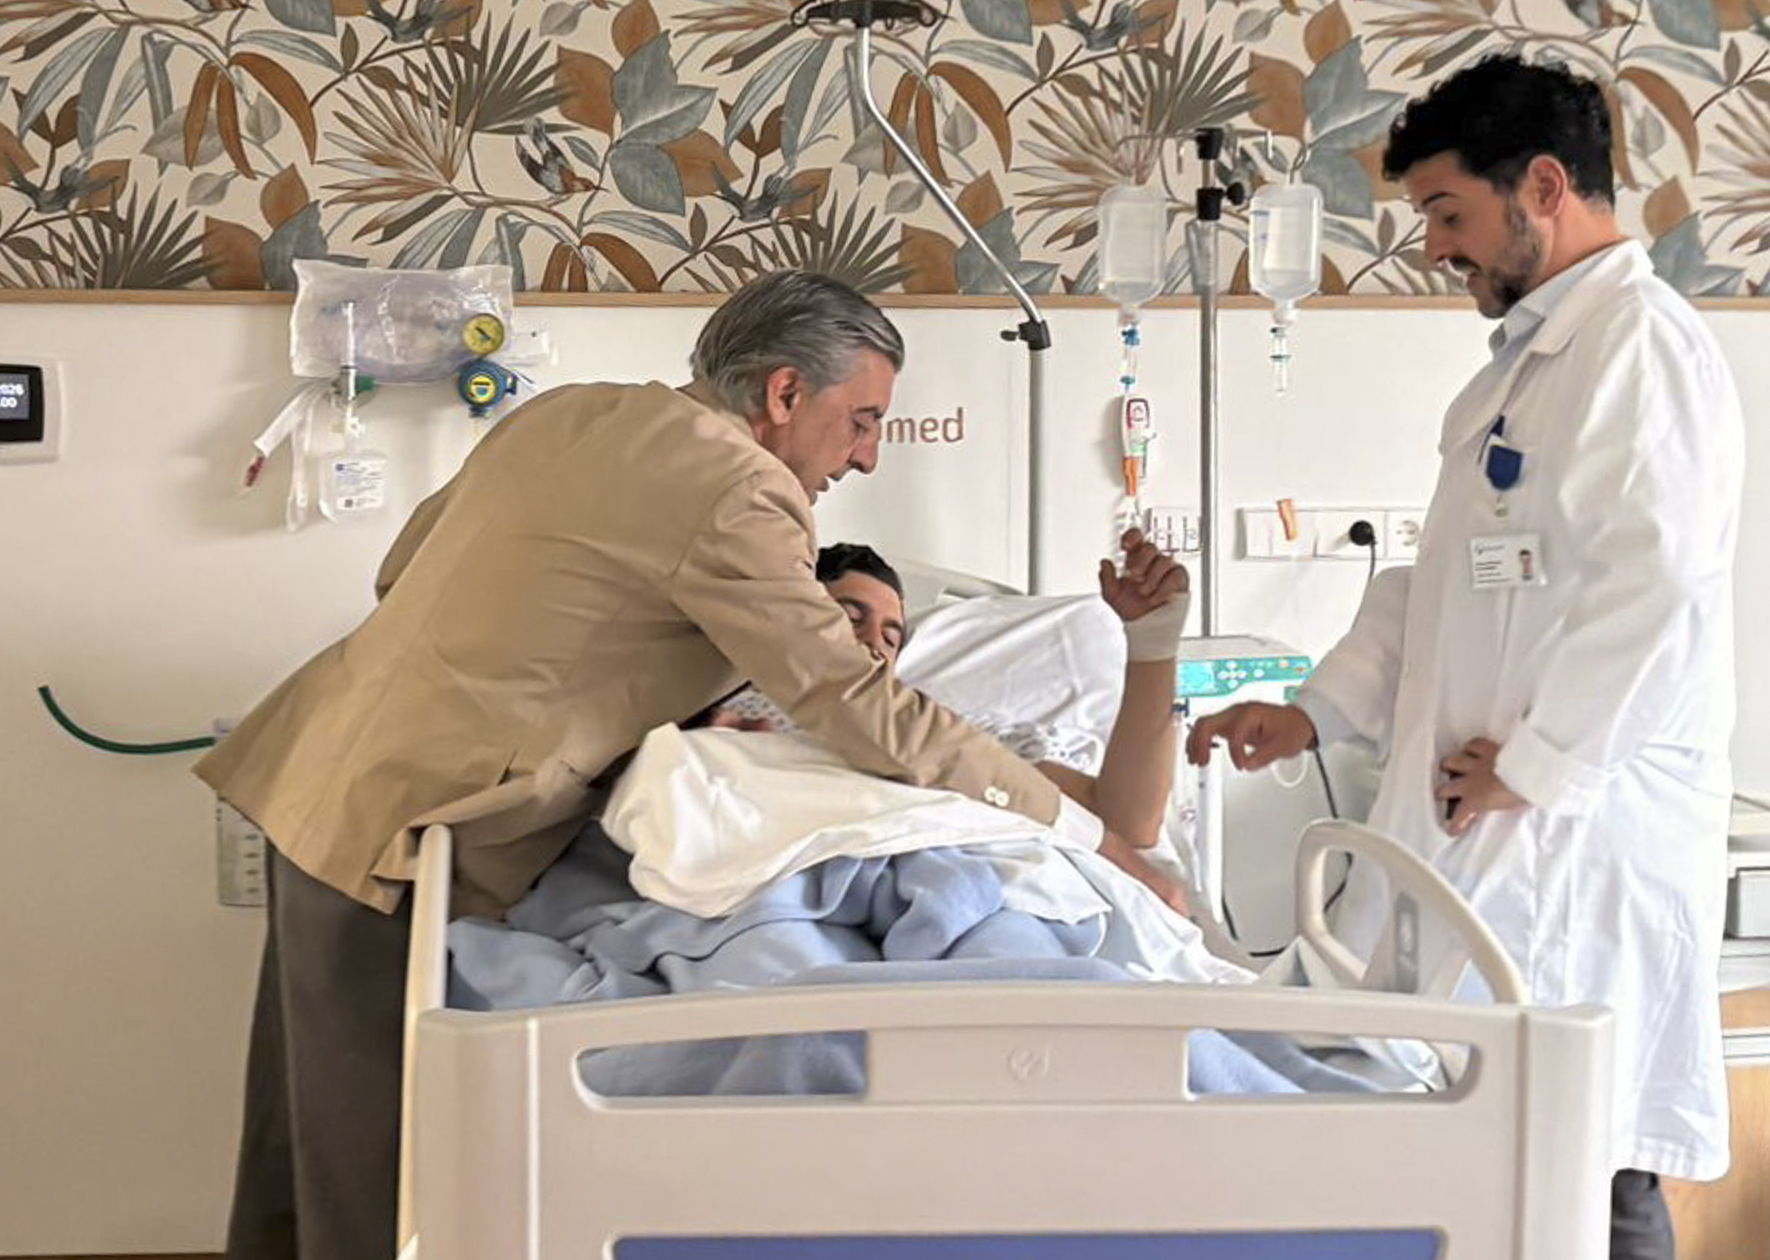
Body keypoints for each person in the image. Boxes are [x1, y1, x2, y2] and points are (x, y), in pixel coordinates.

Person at [196, 271, 1125, 1260]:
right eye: (862, 420)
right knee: (374, 1172)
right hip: (400, 824)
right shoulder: (738, 488)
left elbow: (403, 567)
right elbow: (854, 702)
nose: (865, 454)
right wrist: (1084, 831)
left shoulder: (572, 413)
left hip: (322, 764)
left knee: (296, 1139)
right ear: (783, 394)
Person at [1186, 55, 1743, 1259]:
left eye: (1449, 214)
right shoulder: (1520, 375)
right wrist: (1313, 712)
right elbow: (1438, 584)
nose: (1436, 248)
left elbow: (1660, 588)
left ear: (1542, 186)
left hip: (1574, 846)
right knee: (1508, 1156)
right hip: (1491, 830)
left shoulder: (1641, 350)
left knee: (1593, 1169)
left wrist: (1537, 767)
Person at [710, 531, 1191, 906]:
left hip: (941, 890)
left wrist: (1153, 644)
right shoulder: (722, 707)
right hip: (767, 888)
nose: (873, 642)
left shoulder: (952, 735)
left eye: (891, 637)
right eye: (850, 617)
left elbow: (1129, 823)